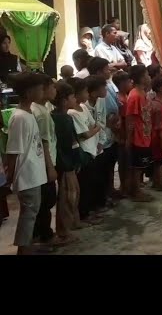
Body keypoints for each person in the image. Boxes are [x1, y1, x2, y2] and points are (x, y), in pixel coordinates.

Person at [5, 72, 47, 255]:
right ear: (29, 93)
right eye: (40, 89)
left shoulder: (30, 112)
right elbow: (13, 151)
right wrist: (10, 177)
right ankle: (24, 249)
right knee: (29, 213)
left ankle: (27, 244)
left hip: (34, 172)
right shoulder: (20, 117)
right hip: (26, 174)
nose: (43, 91)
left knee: (32, 211)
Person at [30, 74, 60, 248]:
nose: (54, 90)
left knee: (46, 201)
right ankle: (44, 235)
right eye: (52, 87)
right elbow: (44, 142)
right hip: (45, 162)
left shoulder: (44, 107)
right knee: (45, 201)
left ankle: (41, 234)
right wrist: (50, 167)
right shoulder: (40, 113)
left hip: (47, 160)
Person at [67, 77, 101, 224]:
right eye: (85, 91)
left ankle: (89, 210)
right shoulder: (72, 113)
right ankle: (83, 214)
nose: (87, 94)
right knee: (84, 184)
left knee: (91, 183)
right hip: (84, 152)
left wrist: (95, 130)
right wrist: (96, 129)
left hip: (92, 149)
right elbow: (85, 134)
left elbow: (94, 124)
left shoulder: (84, 107)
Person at [51, 81, 81, 243]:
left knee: (71, 195)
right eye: (72, 97)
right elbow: (68, 144)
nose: (74, 99)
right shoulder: (62, 119)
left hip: (67, 162)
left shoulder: (61, 117)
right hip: (66, 163)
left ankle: (68, 226)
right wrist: (72, 162)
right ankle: (63, 231)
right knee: (67, 197)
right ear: (64, 101)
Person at [88, 57, 121, 201]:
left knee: (110, 165)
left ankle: (110, 190)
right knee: (101, 169)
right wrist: (111, 123)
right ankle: (102, 196)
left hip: (110, 131)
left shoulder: (108, 85)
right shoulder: (95, 91)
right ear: (99, 71)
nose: (110, 70)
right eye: (107, 68)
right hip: (103, 133)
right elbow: (101, 119)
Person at [125, 64, 154, 202]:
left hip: (145, 135)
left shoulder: (143, 93)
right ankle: (135, 191)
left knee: (141, 165)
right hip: (138, 136)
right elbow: (130, 118)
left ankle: (136, 189)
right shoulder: (134, 95)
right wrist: (129, 139)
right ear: (142, 77)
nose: (149, 77)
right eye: (147, 75)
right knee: (136, 166)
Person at [112, 71, 132, 195]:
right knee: (123, 162)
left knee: (127, 161)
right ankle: (124, 186)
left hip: (126, 133)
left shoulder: (126, 96)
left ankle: (126, 185)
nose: (130, 83)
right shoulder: (120, 98)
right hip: (123, 134)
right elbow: (123, 119)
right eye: (129, 81)